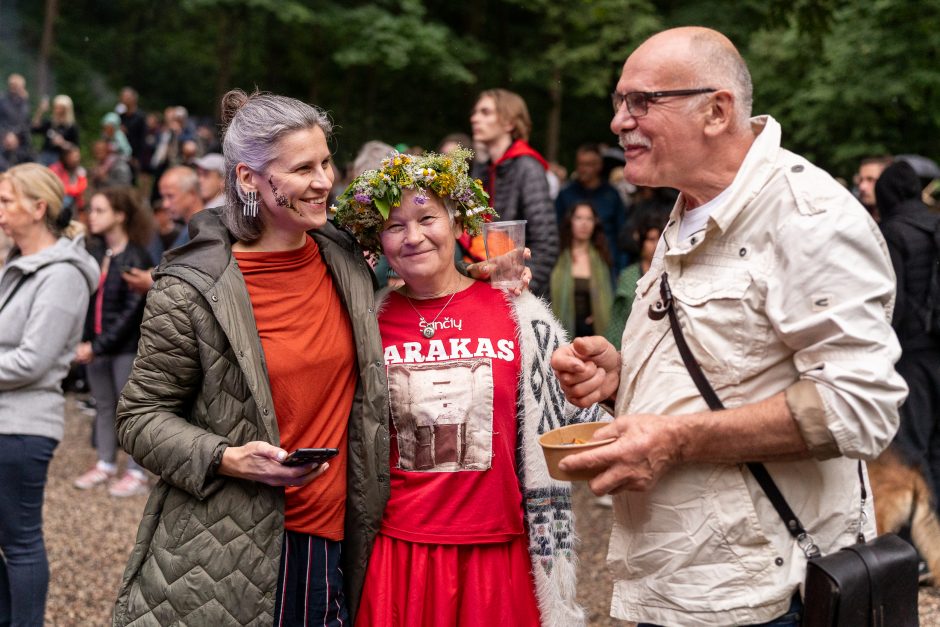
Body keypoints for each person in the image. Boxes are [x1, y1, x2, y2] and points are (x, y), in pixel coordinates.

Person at [550, 27, 907, 626]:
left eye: (641, 102)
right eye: (618, 102)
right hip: (680, 582)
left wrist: (674, 440)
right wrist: (622, 376)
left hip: (763, 600)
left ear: (716, 111)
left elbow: (860, 406)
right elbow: (731, 360)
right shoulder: (689, 206)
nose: (618, 122)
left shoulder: (806, 217)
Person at [113, 90, 387, 626]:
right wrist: (226, 457)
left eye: (326, 161)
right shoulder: (191, 289)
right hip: (230, 544)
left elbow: (417, 281)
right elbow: (138, 418)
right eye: (302, 168)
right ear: (248, 179)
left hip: (336, 537)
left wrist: (484, 280)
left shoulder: (345, 257)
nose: (324, 181)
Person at [334, 148, 601, 626]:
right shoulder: (366, 322)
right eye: (394, 226)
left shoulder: (522, 314)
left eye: (427, 218)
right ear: (380, 239)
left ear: (458, 223)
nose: (413, 237)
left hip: (499, 550)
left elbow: (580, 417)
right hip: (400, 553)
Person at [0, 163, 98, 626]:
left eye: (6, 201)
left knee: (20, 542)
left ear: (39, 208)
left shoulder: (62, 274)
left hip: (21, 429)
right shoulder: (19, 264)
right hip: (5, 420)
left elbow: (32, 362)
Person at [73, 187, 153, 497]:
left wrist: (96, 345)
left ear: (120, 215)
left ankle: (136, 471)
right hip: (96, 347)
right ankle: (105, 463)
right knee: (104, 406)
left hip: (125, 348)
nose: (91, 216)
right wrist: (86, 341)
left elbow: (131, 313)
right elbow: (85, 301)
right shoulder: (95, 253)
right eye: (91, 210)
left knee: (129, 409)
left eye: (99, 210)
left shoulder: (136, 255)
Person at [876, 160, 940, 510]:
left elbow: (891, 306)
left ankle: (913, 545)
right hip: (938, 351)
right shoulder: (935, 222)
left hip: (912, 358)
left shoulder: (893, 232)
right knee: (937, 448)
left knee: (909, 449)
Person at [469, 89, 558, 297]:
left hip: (515, 292)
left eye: (485, 112)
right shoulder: (483, 168)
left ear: (509, 123)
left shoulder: (527, 166)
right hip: (485, 285)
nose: (474, 118)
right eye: (475, 112)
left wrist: (522, 290)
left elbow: (546, 243)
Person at [121, 166, 204, 294]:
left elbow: (197, 282)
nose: (165, 204)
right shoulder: (190, 228)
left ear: (192, 194)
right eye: (163, 197)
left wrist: (152, 282)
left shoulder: (202, 230)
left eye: (170, 196)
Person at [555, 143, 628, 274]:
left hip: (606, 266)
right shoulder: (565, 194)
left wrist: (620, 269)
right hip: (570, 266)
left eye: (588, 164)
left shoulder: (612, 195)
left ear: (598, 166)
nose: (582, 169)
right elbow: (555, 231)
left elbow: (621, 234)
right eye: (580, 164)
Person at [603, 206, 668, 348]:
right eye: (651, 239)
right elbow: (618, 319)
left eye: (659, 239)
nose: (656, 245)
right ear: (641, 241)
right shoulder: (629, 275)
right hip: (631, 342)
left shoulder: (670, 273)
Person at [550, 201, 613, 339]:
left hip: (592, 334)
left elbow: (607, 299)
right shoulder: (558, 256)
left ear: (595, 223)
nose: (584, 224)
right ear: (570, 221)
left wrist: (597, 315)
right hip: (560, 331)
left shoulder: (601, 259)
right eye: (579, 218)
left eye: (589, 219)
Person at [30, 94, 80, 166]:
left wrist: (62, 143)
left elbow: (75, 147)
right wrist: (40, 111)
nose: (57, 110)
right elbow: (34, 129)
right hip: (45, 155)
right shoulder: (50, 123)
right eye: (56, 107)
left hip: (61, 157)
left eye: (60, 108)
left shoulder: (71, 127)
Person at [49, 146, 88, 215]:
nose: (77, 159)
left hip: (73, 201)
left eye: (78, 156)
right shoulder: (55, 169)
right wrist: (71, 190)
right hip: (56, 199)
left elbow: (82, 187)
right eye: (74, 156)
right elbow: (55, 188)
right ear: (66, 157)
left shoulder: (80, 170)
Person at [856, 155, 893, 221]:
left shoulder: (901, 222)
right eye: (860, 180)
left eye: (870, 180)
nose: (862, 187)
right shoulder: (855, 217)